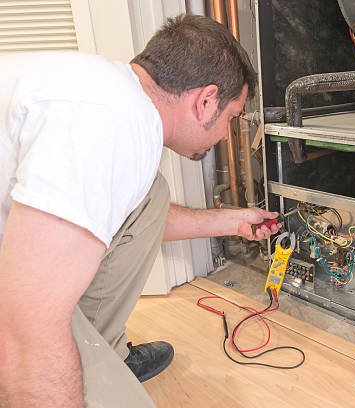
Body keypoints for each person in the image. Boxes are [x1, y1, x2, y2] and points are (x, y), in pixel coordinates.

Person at [0, 14, 280, 407]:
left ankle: (99, 349)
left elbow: (121, 213)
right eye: (231, 119)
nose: (225, 136)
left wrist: (233, 221)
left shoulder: (113, 94)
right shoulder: (109, 126)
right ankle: (86, 358)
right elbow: (26, 329)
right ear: (205, 101)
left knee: (152, 194)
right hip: (14, 313)